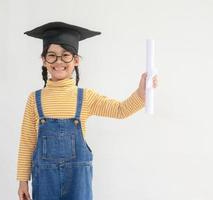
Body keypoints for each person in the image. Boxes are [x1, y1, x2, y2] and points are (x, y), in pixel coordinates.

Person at [16, 21, 158, 200]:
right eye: (52, 56)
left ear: (76, 60)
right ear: (44, 61)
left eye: (65, 55)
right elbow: (27, 142)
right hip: (45, 181)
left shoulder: (86, 97)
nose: (59, 61)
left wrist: (141, 93)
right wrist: (22, 180)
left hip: (78, 181)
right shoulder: (34, 99)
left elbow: (120, 110)